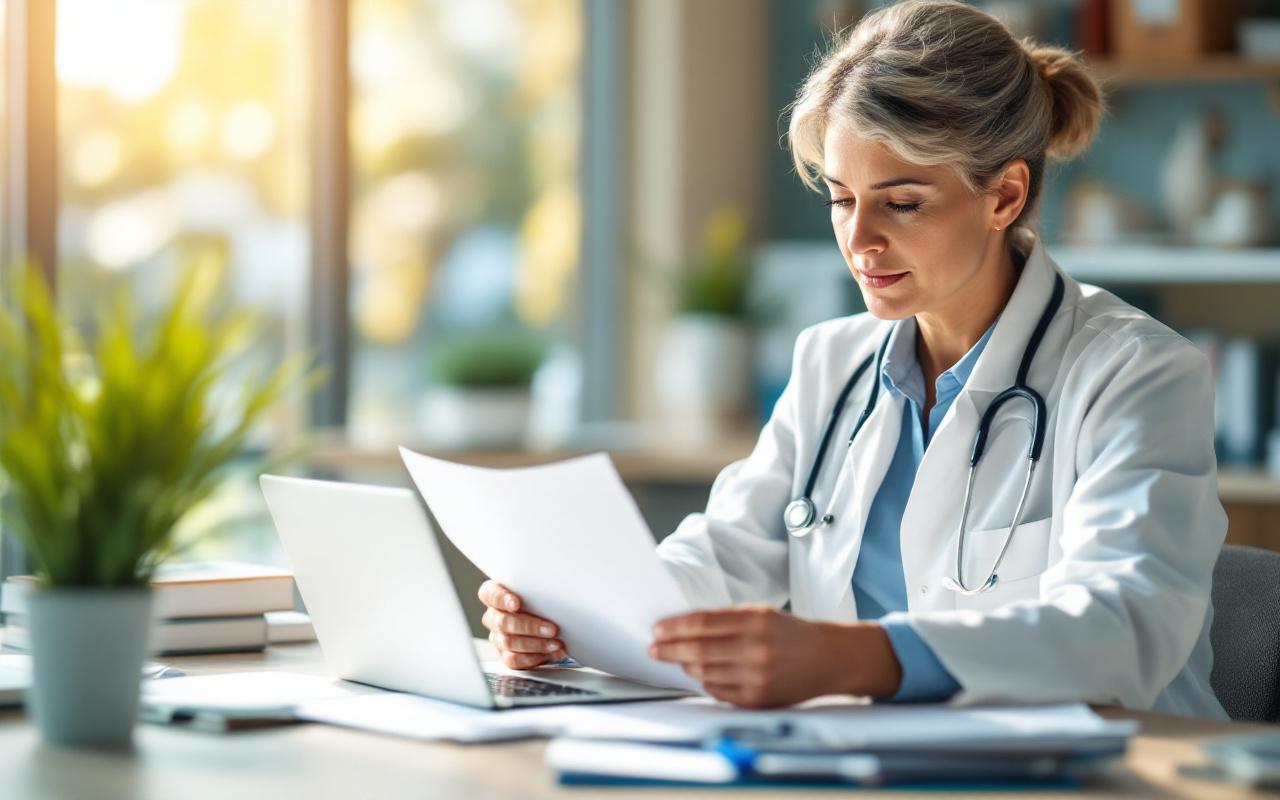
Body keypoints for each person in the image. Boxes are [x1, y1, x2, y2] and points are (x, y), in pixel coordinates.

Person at [477, 0, 1228, 717]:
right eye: (842, 198)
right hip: (873, 761)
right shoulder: (830, 363)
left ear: (1004, 196)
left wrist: (854, 658)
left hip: (1111, 768)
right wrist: (577, 614)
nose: (859, 240)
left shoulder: (1136, 372)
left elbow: (1122, 626)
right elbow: (725, 555)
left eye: (901, 202)